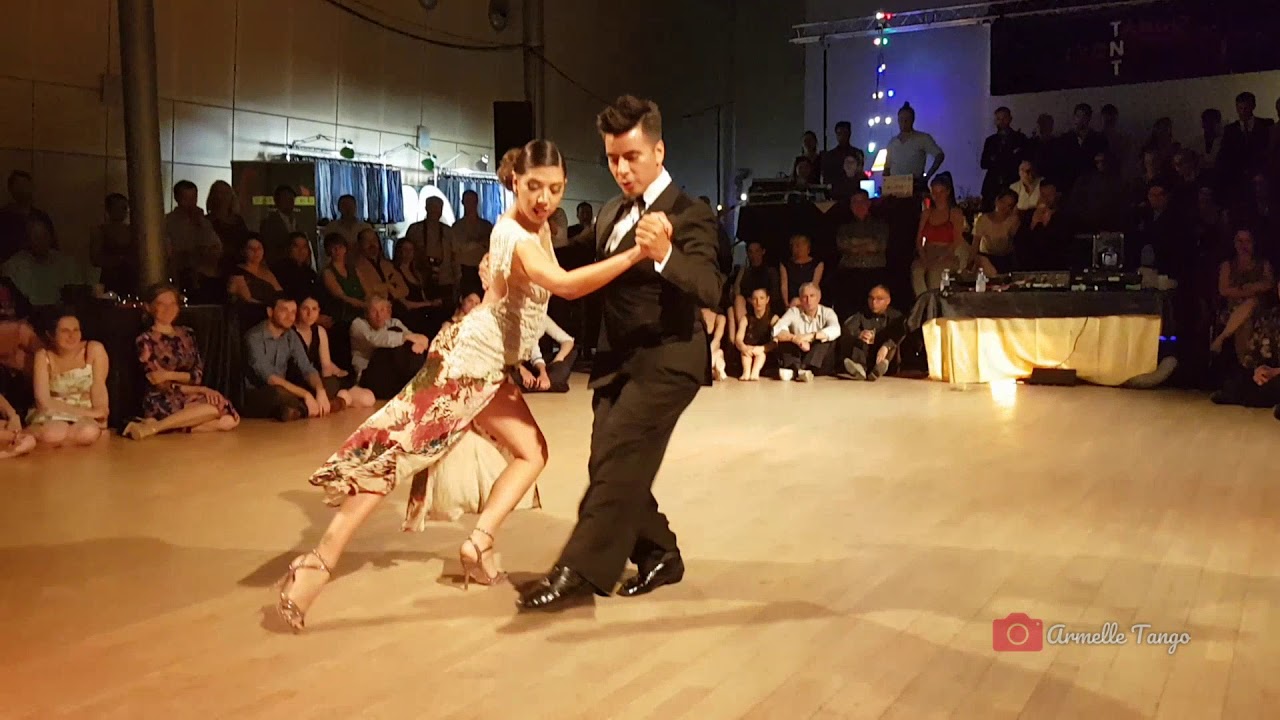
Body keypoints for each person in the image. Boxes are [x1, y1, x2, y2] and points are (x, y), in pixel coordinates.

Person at [273, 139, 648, 632]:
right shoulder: (514, 233)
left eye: (556, 189)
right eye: (535, 187)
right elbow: (566, 286)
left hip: (489, 370)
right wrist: (638, 252)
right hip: (463, 367)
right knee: (392, 458)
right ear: (516, 182)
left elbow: (509, 293)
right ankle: (316, 566)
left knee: (532, 452)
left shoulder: (535, 229)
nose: (546, 199)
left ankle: (480, 542)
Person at [517, 95, 724, 612]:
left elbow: (711, 286)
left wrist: (667, 256)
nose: (621, 168)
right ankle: (660, 552)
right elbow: (577, 254)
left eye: (631, 156)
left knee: (620, 460)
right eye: (613, 158)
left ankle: (578, 572)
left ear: (658, 150)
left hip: (668, 357)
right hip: (616, 360)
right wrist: (517, 255)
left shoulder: (689, 212)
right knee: (609, 461)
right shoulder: (611, 210)